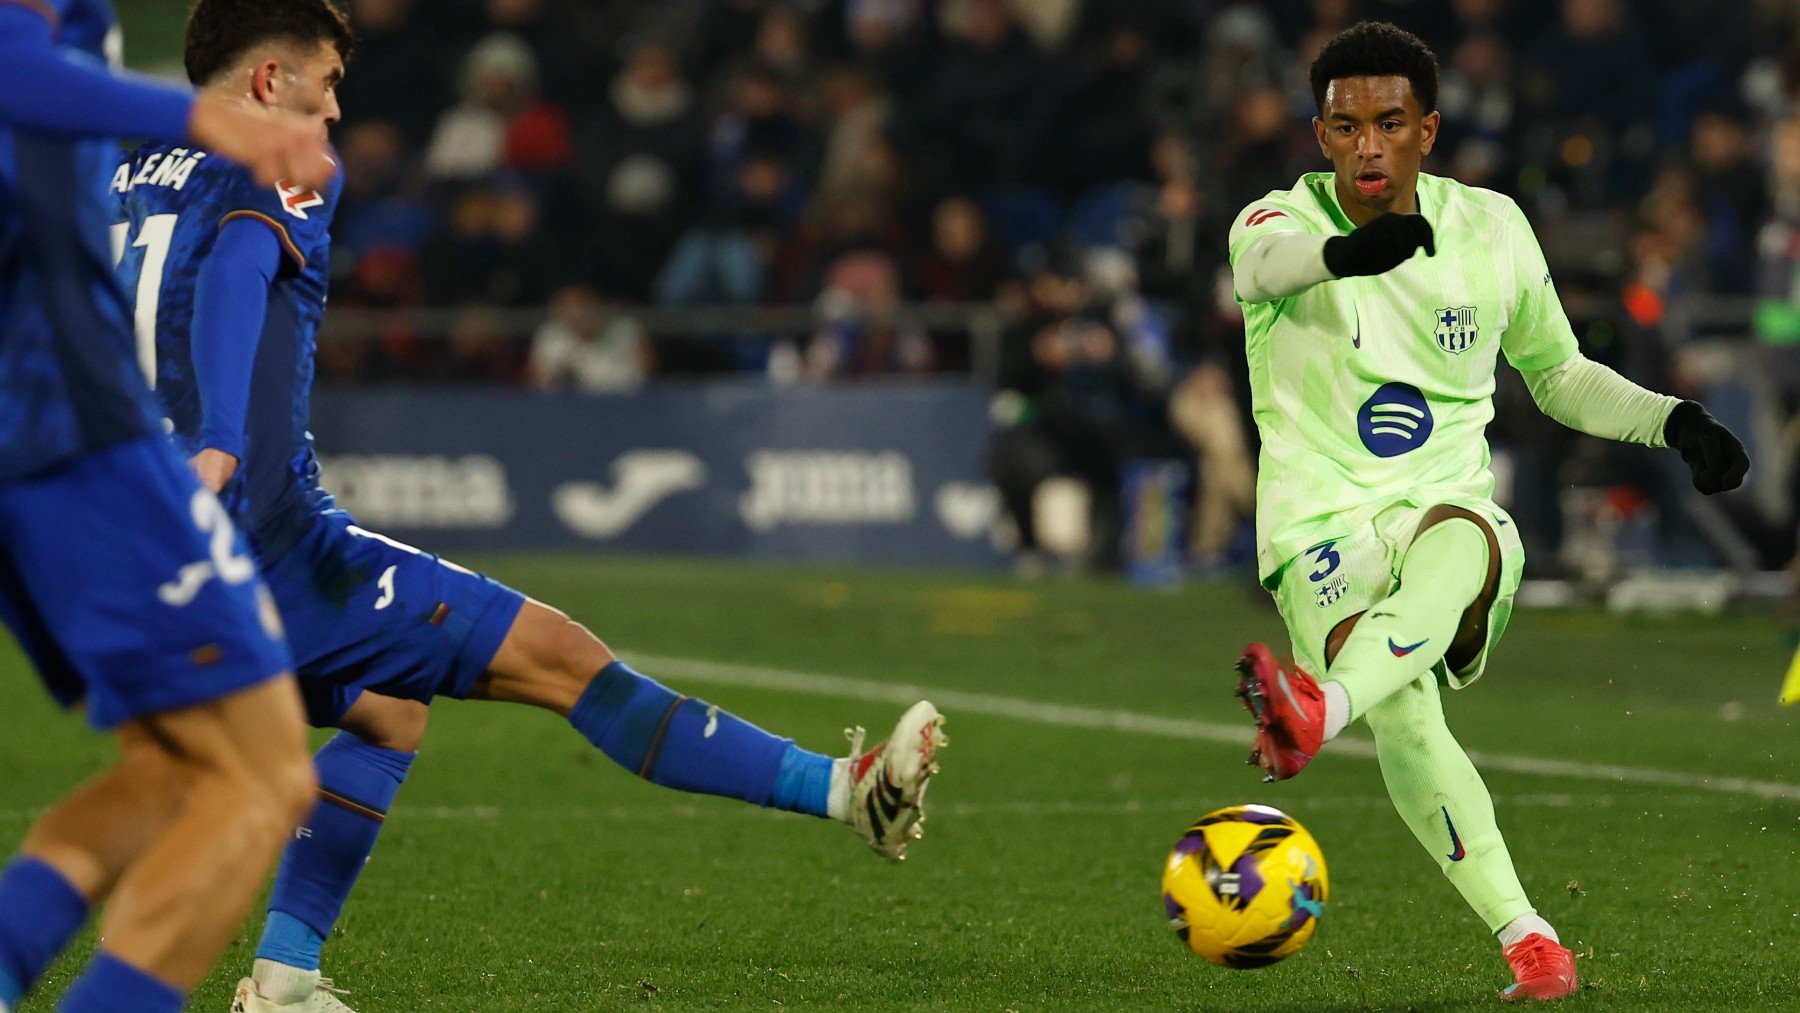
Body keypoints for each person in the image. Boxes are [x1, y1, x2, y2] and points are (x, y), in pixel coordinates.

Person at [114, 4, 948, 1010]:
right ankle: (844, 792)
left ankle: (284, 980)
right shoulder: (285, 157)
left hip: (146, 545)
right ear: (266, 82)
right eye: (326, 82)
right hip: (266, 544)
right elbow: (243, 273)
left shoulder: (122, 165)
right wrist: (215, 442)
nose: (334, 111)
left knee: (386, 710)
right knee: (562, 658)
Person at [1225, 22, 1748, 1002]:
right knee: (1409, 718)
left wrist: (1673, 420)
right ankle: (1532, 942)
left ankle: (1316, 709)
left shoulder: (1494, 229)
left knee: (1472, 529)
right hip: (1319, 534)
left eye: (1389, 123)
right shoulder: (1275, 222)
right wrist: (1348, 253)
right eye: (1345, 128)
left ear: (1429, 128)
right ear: (1319, 133)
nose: (1367, 146)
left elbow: (1558, 375)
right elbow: (1262, 270)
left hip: (1439, 520)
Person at [0, 1, 336, 1011]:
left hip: (44, 427)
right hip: (70, 422)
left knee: (174, 767)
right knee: (260, 775)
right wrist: (211, 121)